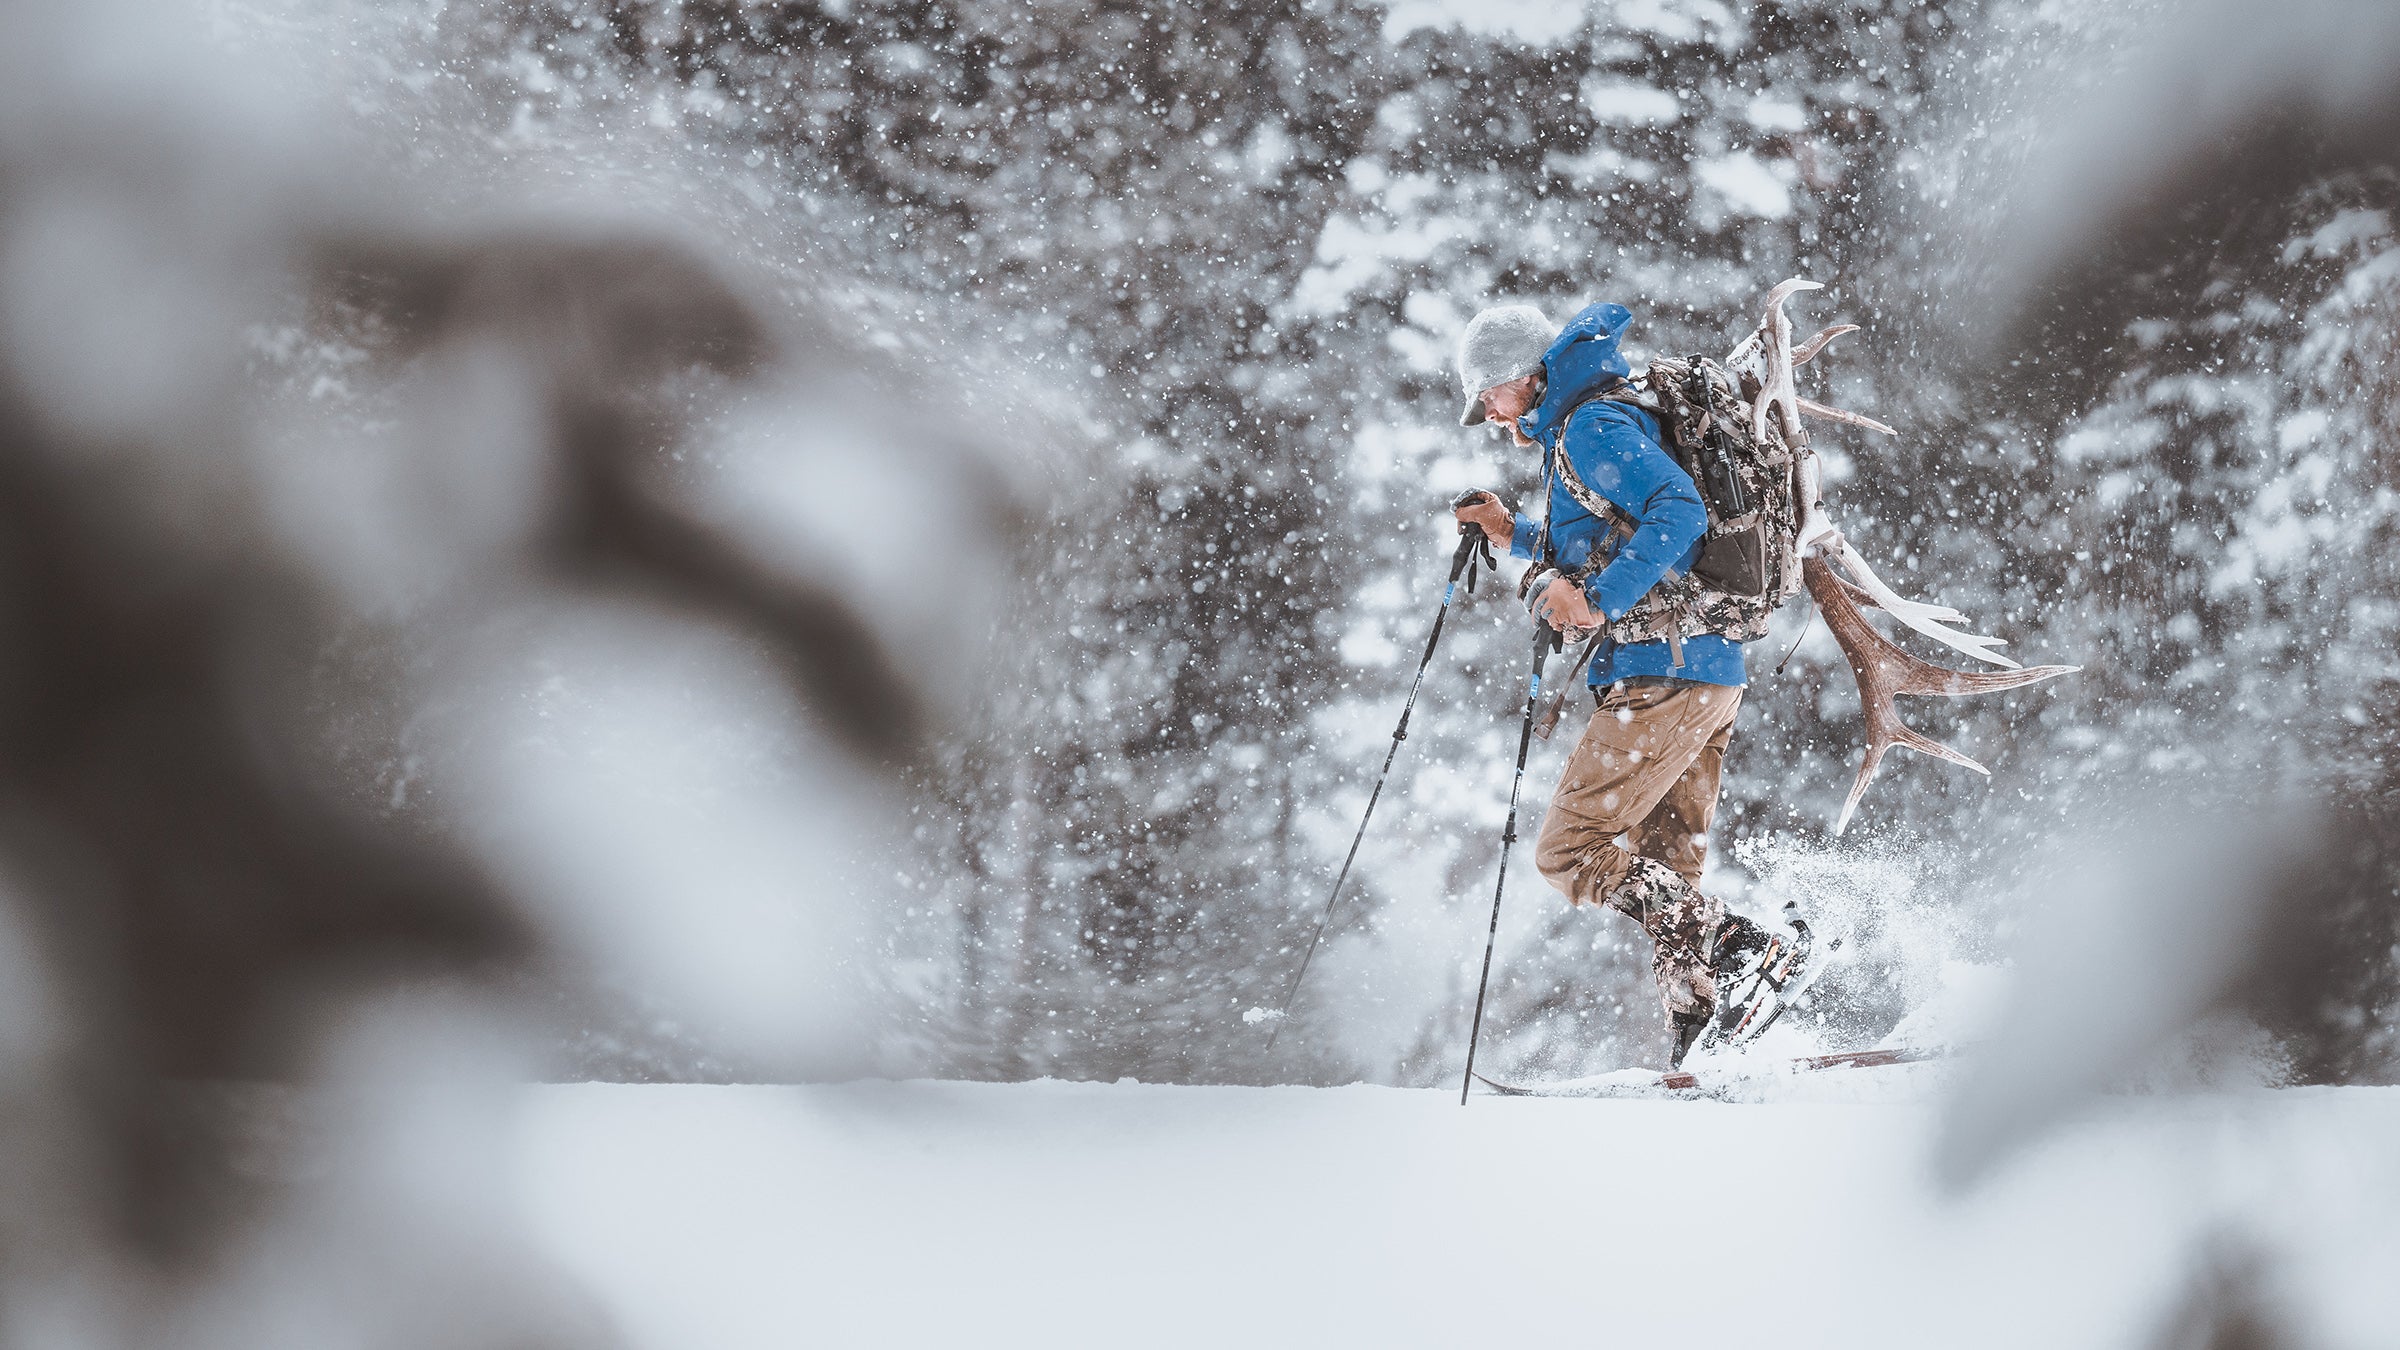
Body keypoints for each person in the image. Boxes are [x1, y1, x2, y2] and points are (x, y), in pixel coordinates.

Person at [1450, 301, 1779, 1063]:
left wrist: (1596, 602)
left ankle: (1744, 950)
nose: (1490, 415)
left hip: (1660, 674)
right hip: (1700, 669)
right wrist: (1514, 534)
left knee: (1569, 851)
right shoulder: (1593, 420)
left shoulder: (1590, 427)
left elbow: (1678, 511)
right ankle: (1703, 1037)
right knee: (1666, 874)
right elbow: (1605, 538)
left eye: (1489, 398)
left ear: (1521, 377)